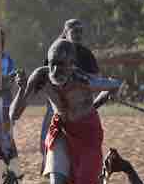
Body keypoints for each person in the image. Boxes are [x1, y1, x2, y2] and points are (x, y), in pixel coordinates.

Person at [10, 39, 121, 184]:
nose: (55, 70)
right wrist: (22, 89)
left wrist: (98, 102)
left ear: (72, 64)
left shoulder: (84, 80)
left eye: (61, 64)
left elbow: (114, 84)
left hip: (88, 134)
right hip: (61, 131)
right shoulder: (40, 76)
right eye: (51, 64)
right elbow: (14, 114)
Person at [40, 19, 100, 173]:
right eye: (75, 31)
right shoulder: (55, 50)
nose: (78, 35)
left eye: (81, 32)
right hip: (58, 101)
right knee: (49, 127)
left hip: (79, 102)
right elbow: (47, 76)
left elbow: (96, 80)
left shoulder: (86, 55)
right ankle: (46, 160)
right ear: (66, 32)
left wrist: (81, 79)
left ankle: (89, 167)